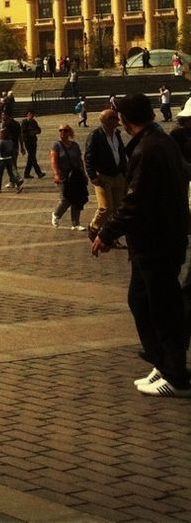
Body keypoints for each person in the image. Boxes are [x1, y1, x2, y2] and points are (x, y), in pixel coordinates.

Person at [92, 93, 190, 398]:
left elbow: (135, 202)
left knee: (160, 307)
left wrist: (106, 233)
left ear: (124, 119)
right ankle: (162, 362)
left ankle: (174, 373)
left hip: (155, 240)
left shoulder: (148, 149)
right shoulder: (161, 142)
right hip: (164, 238)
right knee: (142, 300)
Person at [84, 109, 128, 236]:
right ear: (105, 121)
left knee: (118, 209)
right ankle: (93, 228)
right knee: (106, 208)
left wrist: (125, 172)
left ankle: (110, 235)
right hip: (103, 176)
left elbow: (121, 152)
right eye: (114, 118)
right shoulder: (95, 135)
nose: (118, 120)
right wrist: (92, 176)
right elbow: (89, 157)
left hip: (118, 175)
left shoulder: (117, 134)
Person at [50, 124, 89, 231]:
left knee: (77, 199)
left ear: (69, 132)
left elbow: (80, 160)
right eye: (60, 130)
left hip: (76, 176)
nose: (62, 132)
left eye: (65, 130)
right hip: (63, 176)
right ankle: (56, 214)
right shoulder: (56, 145)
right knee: (65, 199)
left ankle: (75, 223)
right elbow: (53, 160)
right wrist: (56, 174)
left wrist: (84, 173)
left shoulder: (75, 145)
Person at [0, 125, 23, 193]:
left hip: (2, 159)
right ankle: (18, 185)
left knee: (0, 174)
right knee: (11, 174)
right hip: (9, 159)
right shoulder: (10, 141)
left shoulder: (1, 142)